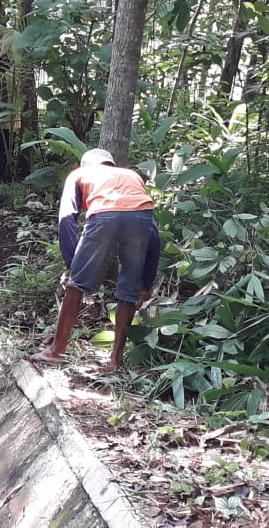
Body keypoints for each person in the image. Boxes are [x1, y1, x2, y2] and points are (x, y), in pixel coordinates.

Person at [31, 148, 160, 371]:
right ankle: (115, 361)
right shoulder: (132, 175)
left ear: (85, 164)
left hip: (104, 215)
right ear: (111, 164)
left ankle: (56, 351)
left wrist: (71, 266)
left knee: (75, 285)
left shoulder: (79, 174)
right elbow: (154, 234)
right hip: (140, 218)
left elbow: (66, 220)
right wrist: (146, 281)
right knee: (129, 290)